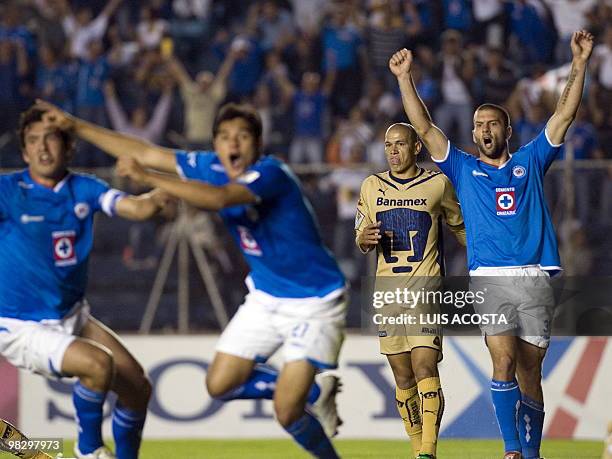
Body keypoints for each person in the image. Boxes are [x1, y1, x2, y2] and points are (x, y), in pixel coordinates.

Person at [37, 101, 347, 459]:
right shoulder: (210, 166)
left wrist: (149, 178)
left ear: (258, 145)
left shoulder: (271, 173)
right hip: (266, 296)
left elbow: (219, 198)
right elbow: (145, 151)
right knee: (219, 384)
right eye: (225, 137)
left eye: (243, 137)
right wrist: (76, 126)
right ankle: (314, 392)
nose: (234, 144)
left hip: (315, 301)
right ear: (215, 144)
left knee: (285, 411)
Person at [389, 30, 594, 459]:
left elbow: (563, 115)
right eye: (478, 125)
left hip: (535, 275)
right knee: (502, 359)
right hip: (489, 277)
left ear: (506, 129)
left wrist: (579, 62)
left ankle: (533, 452)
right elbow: (424, 128)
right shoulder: (462, 168)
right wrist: (405, 79)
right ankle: (512, 451)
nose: (484, 130)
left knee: (530, 371)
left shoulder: (531, 160)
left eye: (491, 123)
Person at [0, 107, 170, 459]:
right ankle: (88, 451)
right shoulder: (8, 191)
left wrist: (160, 193)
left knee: (137, 389)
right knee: (97, 365)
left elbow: (135, 209)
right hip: (20, 324)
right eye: (33, 141)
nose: (43, 148)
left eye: (51, 138)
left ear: (69, 147)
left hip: (73, 314)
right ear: (24, 151)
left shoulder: (84, 188)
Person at [355, 122, 466, 459]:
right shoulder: (372, 186)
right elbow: (360, 236)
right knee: (403, 378)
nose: (393, 151)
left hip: (426, 289)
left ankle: (428, 452)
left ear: (416, 147)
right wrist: (364, 239)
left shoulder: (438, 183)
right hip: (388, 293)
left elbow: (461, 228)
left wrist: (488, 257)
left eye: (400, 144)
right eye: (388, 145)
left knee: (424, 368)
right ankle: (417, 446)